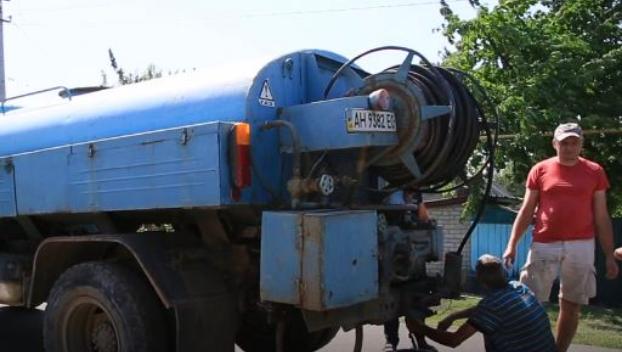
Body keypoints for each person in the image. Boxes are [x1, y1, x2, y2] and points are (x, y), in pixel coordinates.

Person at [502, 122, 619, 352]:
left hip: (581, 245)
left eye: (574, 142)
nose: (569, 147)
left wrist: (609, 255)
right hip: (544, 243)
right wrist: (511, 245)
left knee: (571, 305)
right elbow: (526, 210)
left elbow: (602, 215)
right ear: (555, 144)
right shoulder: (540, 169)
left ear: (581, 144)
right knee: (531, 303)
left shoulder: (595, 171)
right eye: (564, 142)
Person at [407, 254, 556, 352]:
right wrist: (453, 316)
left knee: (488, 329)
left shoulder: (491, 306)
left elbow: (453, 340)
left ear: (480, 280)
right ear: (504, 273)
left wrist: (420, 328)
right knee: (487, 325)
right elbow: (486, 310)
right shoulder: (518, 287)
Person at [383, 187, 435, 352]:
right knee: (390, 301)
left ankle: (420, 340)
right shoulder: (387, 192)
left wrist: (426, 222)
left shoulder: (417, 195)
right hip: (392, 254)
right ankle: (391, 341)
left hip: (415, 256)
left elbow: (423, 215)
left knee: (417, 301)